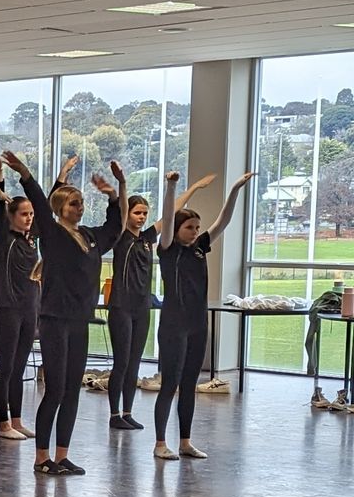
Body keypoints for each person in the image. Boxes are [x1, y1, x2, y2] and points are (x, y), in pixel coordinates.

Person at [7, 150, 119, 476]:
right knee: (55, 389)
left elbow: (114, 228)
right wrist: (25, 174)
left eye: (81, 203)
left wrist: (113, 197)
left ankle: (62, 455)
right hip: (55, 319)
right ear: (60, 209)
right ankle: (41, 458)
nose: (79, 208)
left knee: (72, 391)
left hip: (80, 320)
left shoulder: (90, 237)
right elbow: (40, 206)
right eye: (73, 204)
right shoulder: (52, 235)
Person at [152, 167, 252, 461]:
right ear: (177, 230)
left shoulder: (200, 247)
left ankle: (185, 441)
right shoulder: (168, 249)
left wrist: (235, 189)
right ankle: (160, 443)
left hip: (197, 323)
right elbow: (167, 218)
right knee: (170, 384)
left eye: (197, 227)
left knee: (189, 385)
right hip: (173, 324)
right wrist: (171, 188)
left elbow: (224, 221)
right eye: (189, 228)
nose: (195, 232)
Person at [0, 152, 41, 440]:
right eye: (23, 214)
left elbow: (45, 207)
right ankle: (4, 425)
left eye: (30, 214)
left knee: (18, 368)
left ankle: (16, 421)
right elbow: (0, 202)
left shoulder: (31, 240)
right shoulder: (4, 239)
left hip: (30, 310)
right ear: (11, 217)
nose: (28, 218)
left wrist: (60, 179)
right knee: (5, 368)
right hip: (8, 311)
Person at [103, 165, 156, 431]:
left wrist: (190, 189)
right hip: (121, 306)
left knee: (134, 362)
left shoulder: (147, 238)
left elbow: (171, 215)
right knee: (122, 362)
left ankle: (128, 412)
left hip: (142, 307)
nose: (141, 217)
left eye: (145, 213)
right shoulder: (122, 236)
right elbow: (122, 208)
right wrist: (122, 182)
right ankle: (114, 414)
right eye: (137, 212)